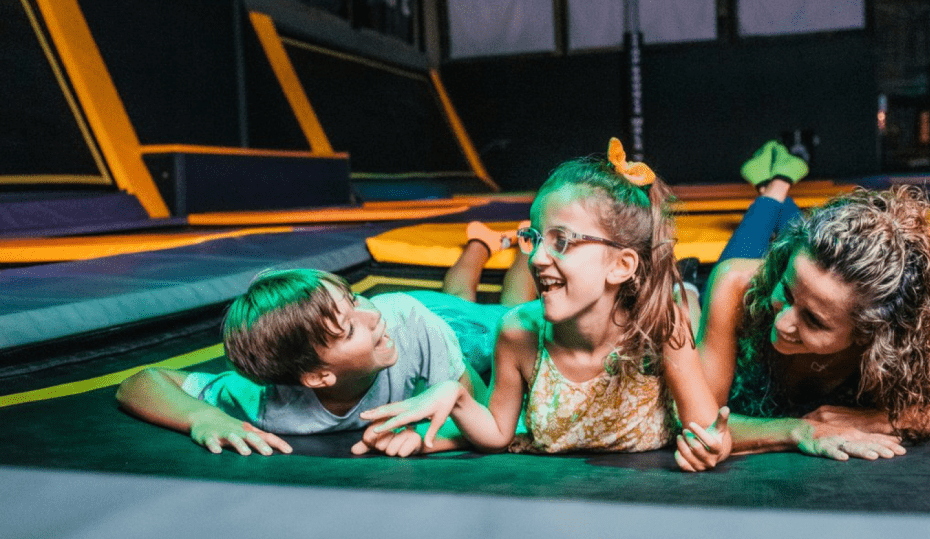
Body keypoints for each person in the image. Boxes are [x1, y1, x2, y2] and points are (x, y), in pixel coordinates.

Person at [357, 138, 732, 472]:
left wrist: (716, 445)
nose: (536, 258)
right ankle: (484, 243)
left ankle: (487, 242)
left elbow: (705, 427)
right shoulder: (518, 333)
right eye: (534, 239)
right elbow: (498, 433)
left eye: (562, 241)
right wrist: (454, 396)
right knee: (491, 309)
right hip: (501, 329)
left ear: (621, 265)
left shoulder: (662, 329)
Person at [696, 142, 930, 460]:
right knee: (744, 254)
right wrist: (800, 430)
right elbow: (700, 420)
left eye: (815, 321)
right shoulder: (738, 285)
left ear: (871, 332)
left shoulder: (915, 318)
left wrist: (886, 420)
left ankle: (777, 187)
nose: (783, 322)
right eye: (788, 292)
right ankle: (776, 188)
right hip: (752, 267)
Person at [115, 264, 512, 457]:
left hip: (438, 326)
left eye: (354, 299)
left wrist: (431, 436)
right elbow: (142, 382)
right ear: (318, 376)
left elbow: (483, 414)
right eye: (349, 330)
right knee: (466, 304)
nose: (371, 315)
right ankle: (478, 244)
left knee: (513, 321)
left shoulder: (398, 318)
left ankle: (481, 248)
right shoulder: (267, 402)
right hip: (428, 332)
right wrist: (203, 417)